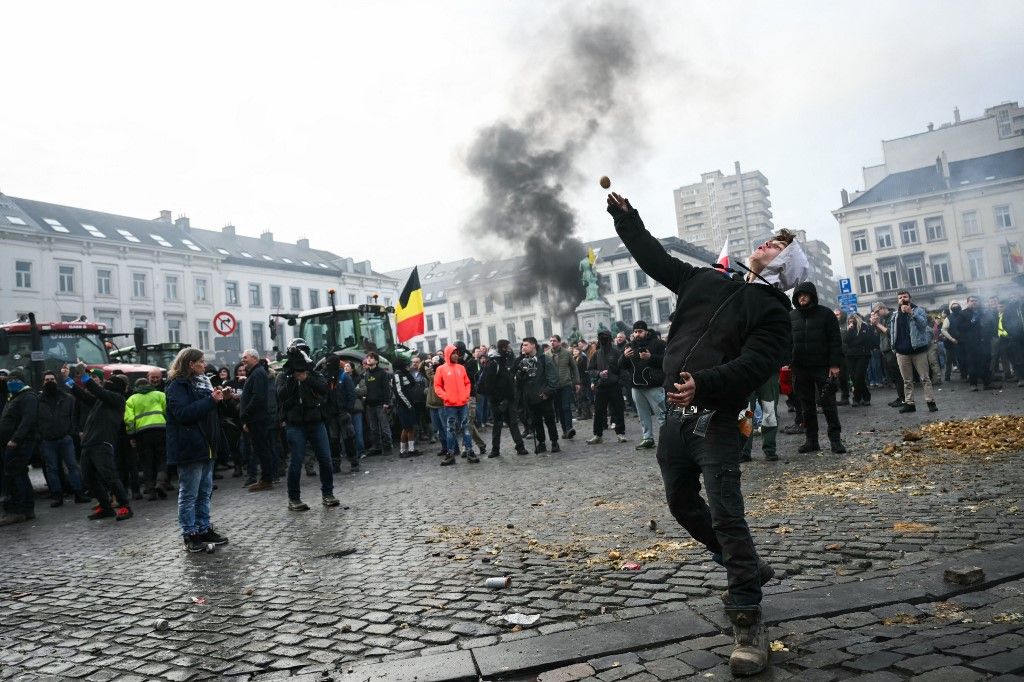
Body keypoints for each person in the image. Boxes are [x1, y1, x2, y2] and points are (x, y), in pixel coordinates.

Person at [607, 192, 795, 676]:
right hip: (675, 420)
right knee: (681, 505)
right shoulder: (706, 280)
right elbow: (654, 259)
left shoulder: (774, 312)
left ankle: (748, 621)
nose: (766, 244)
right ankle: (747, 568)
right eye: (769, 240)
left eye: (777, 246)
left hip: (715, 419)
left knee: (728, 515)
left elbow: (755, 364)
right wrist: (627, 219)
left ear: (787, 266)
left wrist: (705, 385)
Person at [165, 348, 227, 551]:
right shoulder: (177, 386)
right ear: (190, 364)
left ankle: (203, 528)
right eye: (200, 361)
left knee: (205, 491)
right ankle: (190, 533)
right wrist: (210, 400)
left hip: (207, 444)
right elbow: (183, 413)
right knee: (190, 493)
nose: (204, 365)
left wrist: (218, 398)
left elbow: (209, 413)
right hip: (190, 446)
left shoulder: (204, 383)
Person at [68, 365, 134, 521]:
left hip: (102, 443)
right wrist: (67, 380)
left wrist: (84, 376)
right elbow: (82, 396)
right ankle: (106, 507)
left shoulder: (116, 399)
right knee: (88, 478)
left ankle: (125, 506)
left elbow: (98, 391)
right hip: (89, 443)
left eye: (109, 383)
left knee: (109, 476)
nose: (105, 384)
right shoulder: (101, 401)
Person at [278, 348, 340, 510]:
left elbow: (325, 389)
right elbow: (281, 395)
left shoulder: (313, 374)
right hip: (295, 424)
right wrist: (293, 379)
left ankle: (328, 494)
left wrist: (306, 379)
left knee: (325, 459)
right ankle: (294, 498)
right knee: (296, 461)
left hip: (316, 422)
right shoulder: (284, 376)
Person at [790, 281, 846, 453]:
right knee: (807, 406)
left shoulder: (826, 314)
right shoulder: (791, 316)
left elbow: (835, 341)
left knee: (828, 404)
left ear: (812, 296)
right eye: (799, 295)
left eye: (805, 294)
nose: (802, 298)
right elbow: (787, 341)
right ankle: (811, 441)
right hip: (800, 368)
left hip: (822, 367)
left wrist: (835, 364)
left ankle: (835, 440)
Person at [37, 370, 88, 507]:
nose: (50, 382)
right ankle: (57, 496)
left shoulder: (67, 398)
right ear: (43, 382)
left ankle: (79, 493)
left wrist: (70, 432)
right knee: (52, 469)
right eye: (47, 380)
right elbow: (35, 421)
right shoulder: (37, 400)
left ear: (56, 381)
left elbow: (73, 417)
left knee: (73, 466)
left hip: (65, 438)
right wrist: (41, 435)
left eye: (52, 379)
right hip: (47, 440)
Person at [620, 321, 667, 450]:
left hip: (654, 385)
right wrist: (624, 357)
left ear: (646, 331)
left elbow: (666, 361)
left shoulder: (658, 344)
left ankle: (668, 438)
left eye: (640, 331)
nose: (637, 334)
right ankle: (647, 438)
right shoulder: (630, 345)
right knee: (643, 415)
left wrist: (651, 357)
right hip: (636, 386)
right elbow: (622, 366)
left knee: (662, 414)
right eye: (635, 332)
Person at [0, 370, 39, 525]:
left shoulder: (28, 397)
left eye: (14, 380)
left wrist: (15, 439)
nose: (10, 382)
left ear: (22, 381)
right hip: (10, 443)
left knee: (15, 475)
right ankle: (24, 509)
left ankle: (19, 510)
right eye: (8, 380)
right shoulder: (15, 396)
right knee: (17, 474)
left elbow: (28, 420)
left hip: (19, 444)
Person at [889, 291, 937, 413]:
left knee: (925, 378)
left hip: (918, 350)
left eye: (905, 297)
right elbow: (893, 331)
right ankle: (910, 404)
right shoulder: (895, 314)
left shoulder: (918, 310)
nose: (902, 299)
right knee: (907, 380)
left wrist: (911, 313)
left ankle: (930, 402)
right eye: (900, 297)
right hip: (901, 351)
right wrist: (894, 347)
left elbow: (923, 325)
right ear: (897, 300)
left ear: (909, 298)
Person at [479, 341, 528, 457]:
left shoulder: (504, 361)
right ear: (502, 348)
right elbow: (488, 385)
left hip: (508, 399)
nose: (509, 349)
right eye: (507, 347)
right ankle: (495, 449)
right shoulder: (493, 363)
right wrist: (499, 399)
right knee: (497, 424)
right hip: (497, 401)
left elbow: (509, 379)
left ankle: (520, 446)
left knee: (512, 423)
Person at [124, 376, 168, 501]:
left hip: (142, 434)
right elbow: (167, 411)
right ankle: (160, 482)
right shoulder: (159, 395)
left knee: (146, 462)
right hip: (160, 430)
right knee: (162, 458)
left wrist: (131, 435)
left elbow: (129, 419)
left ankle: (151, 491)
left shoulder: (132, 399)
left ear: (136, 387)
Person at [515, 337, 560, 454]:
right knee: (536, 422)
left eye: (525, 345)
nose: (523, 347)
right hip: (530, 398)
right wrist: (521, 373)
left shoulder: (545, 359)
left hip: (544, 396)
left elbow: (553, 378)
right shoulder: (522, 361)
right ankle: (541, 443)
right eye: (522, 345)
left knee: (549, 420)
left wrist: (547, 392)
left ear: (533, 345)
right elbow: (519, 383)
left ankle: (554, 442)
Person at [434, 343, 477, 465]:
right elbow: (437, 386)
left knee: (466, 429)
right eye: (453, 353)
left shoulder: (461, 368)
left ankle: (469, 451)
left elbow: (467, 383)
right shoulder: (441, 369)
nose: (455, 355)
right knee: (450, 430)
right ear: (448, 354)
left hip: (462, 403)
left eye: (456, 353)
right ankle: (451, 454)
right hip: (450, 405)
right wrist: (446, 397)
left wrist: (466, 395)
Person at [238, 349, 274, 491]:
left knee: (262, 449)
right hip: (254, 419)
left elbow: (258, 398)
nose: (243, 360)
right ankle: (265, 478)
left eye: (245, 357)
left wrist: (245, 414)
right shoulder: (255, 373)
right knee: (260, 449)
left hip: (257, 419)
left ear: (254, 358)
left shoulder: (258, 373)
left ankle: (267, 480)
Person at [587, 330, 626, 444]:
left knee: (618, 410)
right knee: (599, 411)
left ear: (610, 339)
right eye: (601, 338)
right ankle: (598, 435)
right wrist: (599, 373)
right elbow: (590, 370)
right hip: (601, 387)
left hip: (614, 386)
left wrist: (620, 382)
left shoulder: (617, 353)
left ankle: (620, 433)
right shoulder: (596, 354)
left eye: (605, 338)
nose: (603, 340)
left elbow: (623, 369)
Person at [961, 295, 1000, 391]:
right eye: (972, 301)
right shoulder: (963, 314)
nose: (974, 302)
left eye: (976, 301)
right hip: (972, 343)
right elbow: (961, 327)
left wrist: (991, 334)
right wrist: (972, 321)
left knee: (986, 362)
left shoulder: (983, 312)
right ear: (968, 302)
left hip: (984, 341)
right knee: (973, 363)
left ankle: (987, 383)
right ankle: (973, 384)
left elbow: (990, 323)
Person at [547, 335, 581, 440]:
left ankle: (569, 428)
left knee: (566, 407)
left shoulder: (566, 353)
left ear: (559, 342)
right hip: (553, 386)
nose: (552, 342)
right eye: (551, 341)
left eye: (554, 341)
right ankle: (565, 430)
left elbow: (574, 367)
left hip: (565, 384)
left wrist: (577, 382)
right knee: (559, 409)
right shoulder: (546, 355)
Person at [361, 352, 393, 456]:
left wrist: (386, 403)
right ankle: (377, 447)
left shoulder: (382, 373)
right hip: (370, 405)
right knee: (373, 428)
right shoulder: (366, 374)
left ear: (376, 361)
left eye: (371, 358)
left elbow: (386, 389)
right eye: (367, 358)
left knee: (384, 427)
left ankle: (388, 446)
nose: (368, 360)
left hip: (381, 404)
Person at [843, 313, 878, 407]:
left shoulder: (865, 327)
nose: (851, 323)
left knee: (859, 376)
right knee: (854, 377)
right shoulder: (849, 329)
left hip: (863, 355)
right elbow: (846, 340)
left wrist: (854, 342)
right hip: (850, 356)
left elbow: (864, 339)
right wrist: (850, 330)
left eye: (852, 321)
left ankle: (856, 398)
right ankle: (865, 396)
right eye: (849, 321)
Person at [392, 357, 423, 458]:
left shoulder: (405, 373)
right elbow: (399, 392)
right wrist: (408, 404)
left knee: (410, 427)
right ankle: (402, 451)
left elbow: (412, 384)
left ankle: (411, 449)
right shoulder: (397, 375)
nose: (408, 365)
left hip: (410, 404)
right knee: (406, 428)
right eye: (405, 364)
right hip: (403, 405)